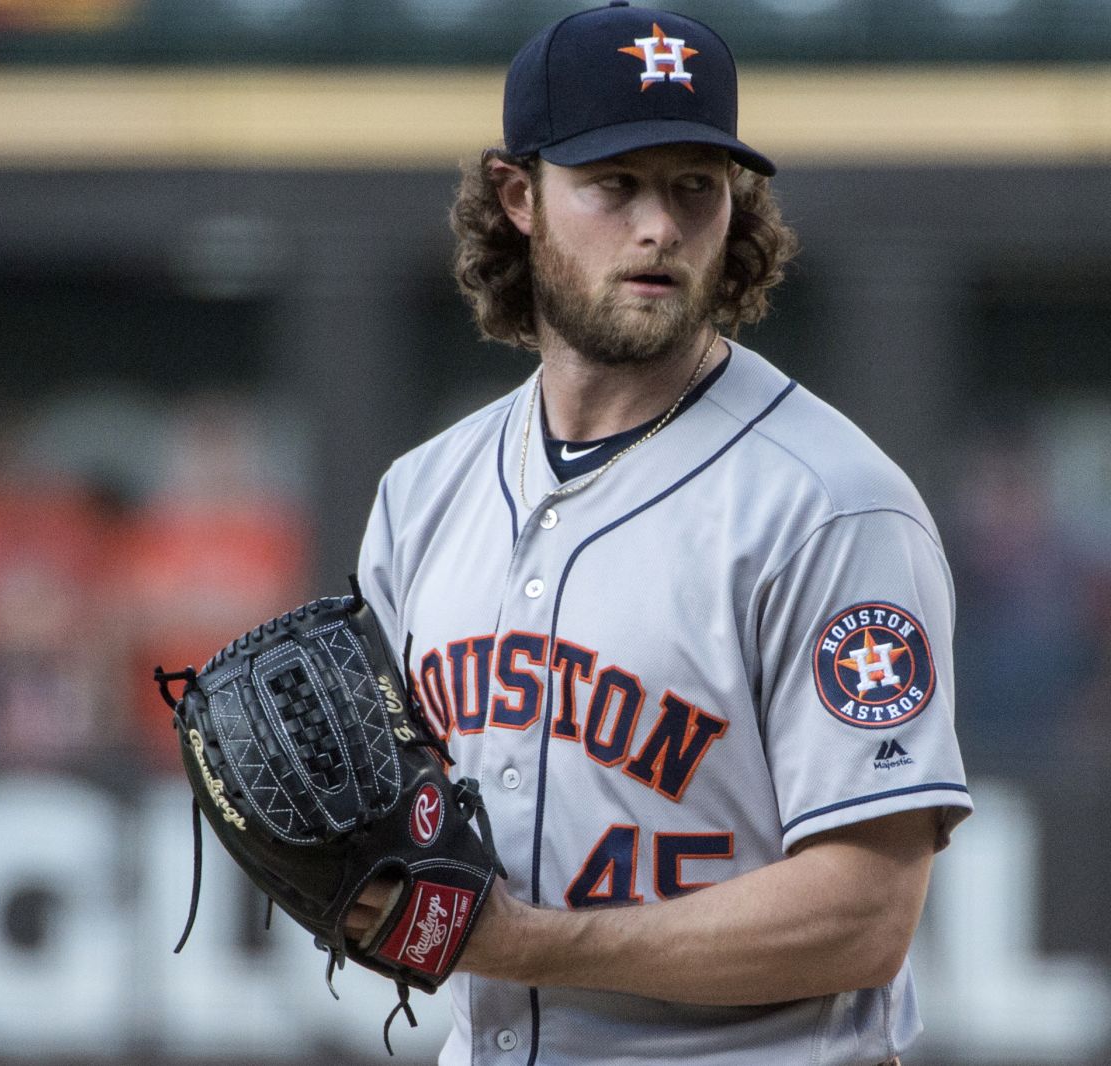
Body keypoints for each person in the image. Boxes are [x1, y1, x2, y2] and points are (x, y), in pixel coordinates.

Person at [351, 5, 971, 1063]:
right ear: (518, 197)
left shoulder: (826, 504)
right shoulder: (423, 495)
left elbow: (864, 913)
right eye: (614, 184)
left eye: (695, 186)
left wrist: (528, 942)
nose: (659, 227)